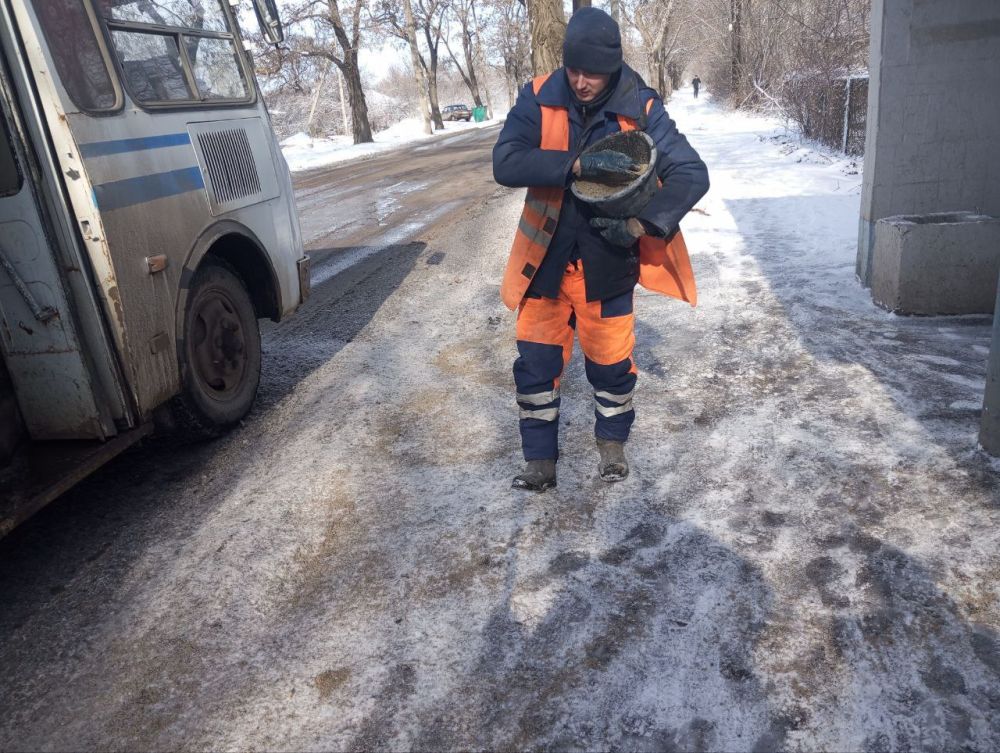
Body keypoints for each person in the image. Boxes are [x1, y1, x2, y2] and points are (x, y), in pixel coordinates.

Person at [493, 7, 709, 492]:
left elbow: (692, 174)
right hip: (544, 263)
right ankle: (540, 463)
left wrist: (639, 224)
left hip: (608, 264)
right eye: (574, 69)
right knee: (535, 365)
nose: (582, 81)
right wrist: (576, 165)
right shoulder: (538, 94)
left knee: (612, 367)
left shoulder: (641, 107)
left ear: (613, 68)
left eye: (594, 73)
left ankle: (612, 445)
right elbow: (505, 161)